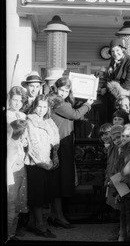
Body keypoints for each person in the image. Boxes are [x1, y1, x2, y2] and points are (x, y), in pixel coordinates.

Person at [47, 76, 94, 228]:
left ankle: (56, 215)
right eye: (61, 89)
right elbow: (74, 114)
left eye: (67, 90)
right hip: (58, 145)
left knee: (60, 181)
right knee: (58, 181)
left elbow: (72, 111)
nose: (64, 93)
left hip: (63, 143)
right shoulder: (56, 100)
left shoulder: (61, 100)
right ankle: (58, 216)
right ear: (56, 88)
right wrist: (88, 104)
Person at [25, 94, 60, 238]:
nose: (41, 109)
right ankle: (40, 226)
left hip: (49, 162)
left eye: (45, 107)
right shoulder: (30, 121)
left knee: (46, 195)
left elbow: (55, 141)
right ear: (34, 106)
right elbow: (33, 144)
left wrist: (55, 156)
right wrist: (46, 163)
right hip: (36, 163)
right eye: (39, 106)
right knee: (37, 196)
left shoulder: (49, 121)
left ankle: (37, 223)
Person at [97, 37, 130, 122]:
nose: (115, 53)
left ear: (122, 49)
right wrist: (103, 75)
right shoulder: (113, 61)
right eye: (112, 51)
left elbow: (127, 84)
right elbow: (110, 77)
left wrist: (108, 89)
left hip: (127, 96)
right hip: (115, 95)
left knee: (123, 118)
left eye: (117, 50)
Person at [7, 120, 29, 241]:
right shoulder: (12, 146)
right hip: (13, 180)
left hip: (19, 178)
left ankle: (12, 234)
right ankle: (8, 235)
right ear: (22, 132)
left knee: (16, 207)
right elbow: (9, 165)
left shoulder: (18, 142)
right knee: (11, 207)